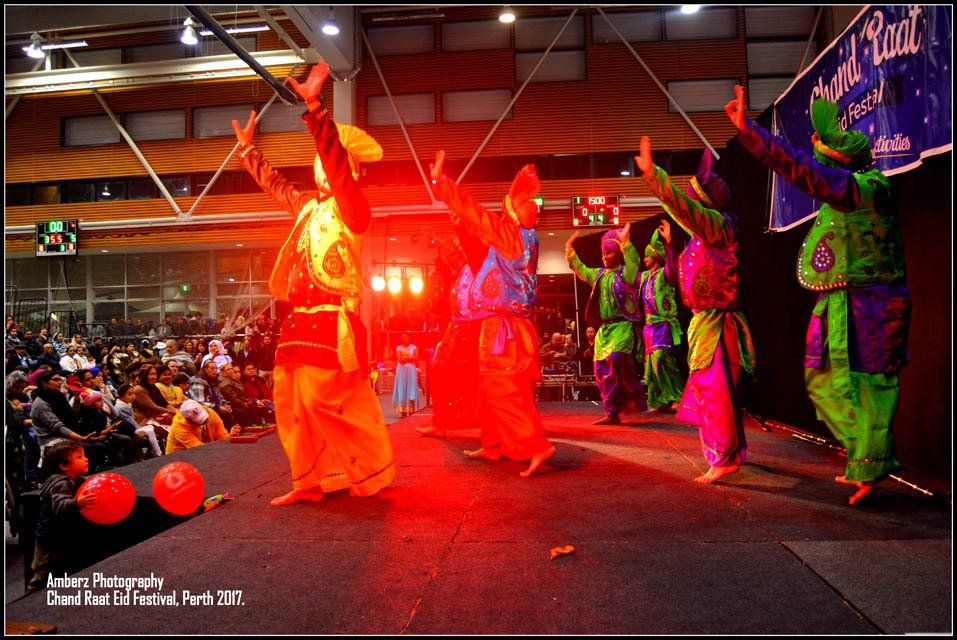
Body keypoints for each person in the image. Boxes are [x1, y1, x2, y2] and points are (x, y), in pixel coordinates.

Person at [727, 87, 911, 505]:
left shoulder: (866, 189)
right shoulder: (849, 188)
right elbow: (810, 168)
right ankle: (867, 456)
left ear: (839, 161)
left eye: (825, 153)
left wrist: (750, 133)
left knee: (869, 384)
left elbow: (801, 170)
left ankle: (872, 461)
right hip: (839, 299)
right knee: (821, 380)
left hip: (871, 304)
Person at [231, 61, 395, 505]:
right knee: (293, 405)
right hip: (298, 323)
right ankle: (312, 481)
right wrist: (248, 152)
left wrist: (314, 108)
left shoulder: (353, 209)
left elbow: (338, 167)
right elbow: (278, 187)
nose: (319, 167)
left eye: (326, 159)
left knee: (329, 401)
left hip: (331, 320)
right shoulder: (308, 208)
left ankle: (366, 471)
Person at [423, 149, 555, 477]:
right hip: (509, 326)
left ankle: (534, 446)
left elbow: (475, 212)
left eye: (534, 205)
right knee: (492, 388)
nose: (534, 209)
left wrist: (443, 185)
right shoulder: (527, 238)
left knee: (502, 389)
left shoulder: (510, 235)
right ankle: (493, 444)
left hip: (503, 328)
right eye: (529, 204)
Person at [637, 137, 756, 484]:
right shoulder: (709, 233)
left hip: (718, 324)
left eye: (694, 204)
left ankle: (722, 458)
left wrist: (655, 178)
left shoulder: (719, 228)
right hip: (709, 323)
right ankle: (730, 455)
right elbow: (688, 217)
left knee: (715, 391)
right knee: (719, 392)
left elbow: (687, 212)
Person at [566, 223, 648, 424]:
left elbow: (634, 261)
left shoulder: (626, 274)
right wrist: (569, 250)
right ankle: (612, 412)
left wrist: (626, 243)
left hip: (623, 325)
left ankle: (632, 401)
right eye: (603, 254)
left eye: (608, 253)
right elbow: (582, 269)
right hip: (605, 328)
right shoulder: (599, 275)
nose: (604, 257)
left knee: (617, 357)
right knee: (600, 367)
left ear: (617, 254)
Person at [26, 441, 96, 593]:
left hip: (60, 536)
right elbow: (59, 505)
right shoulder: (61, 484)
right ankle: (29, 598)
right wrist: (77, 502)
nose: (86, 459)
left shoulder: (75, 479)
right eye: (80, 457)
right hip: (50, 539)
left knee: (59, 568)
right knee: (43, 571)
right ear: (64, 466)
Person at [639, 219, 686, 412]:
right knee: (650, 366)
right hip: (649, 326)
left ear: (655, 257)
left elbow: (673, 268)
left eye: (647, 257)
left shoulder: (664, 275)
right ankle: (660, 400)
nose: (644, 260)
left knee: (662, 358)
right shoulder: (643, 276)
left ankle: (677, 397)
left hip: (663, 324)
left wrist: (668, 242)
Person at [165, 400, 240, 455]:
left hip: (203, 451)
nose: (205, 420)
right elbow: (200, 449)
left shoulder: (210, 412)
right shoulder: (179, 427)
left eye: (204, 415)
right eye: (199, 420)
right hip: (178, 457)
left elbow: (222, 436)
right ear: (188, 420)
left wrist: (229, 436)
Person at [114, 384, 163, 458]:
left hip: (133, 427)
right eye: (129, 394)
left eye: (134, 393)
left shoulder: (126, 404)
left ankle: (155, 451)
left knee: (150, 427)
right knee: (150, 430)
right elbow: (131, 423)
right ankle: (157, 452)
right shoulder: (122, 407)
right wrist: (140, 427)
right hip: (128, 431)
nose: (133, 396)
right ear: (121, 396)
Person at [392, 333, 421, 417]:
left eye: (406, 337)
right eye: (403, 337)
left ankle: (412, 409)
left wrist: (406, 358)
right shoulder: (399, 348)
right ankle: (403, 410)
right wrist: (409, 359)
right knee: (402, 388)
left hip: (411, 370)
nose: (404, 339)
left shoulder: (414, 347)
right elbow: (400, 360)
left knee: (411, 387)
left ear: (409, 338)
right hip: (401, 370)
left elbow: (416, 358)